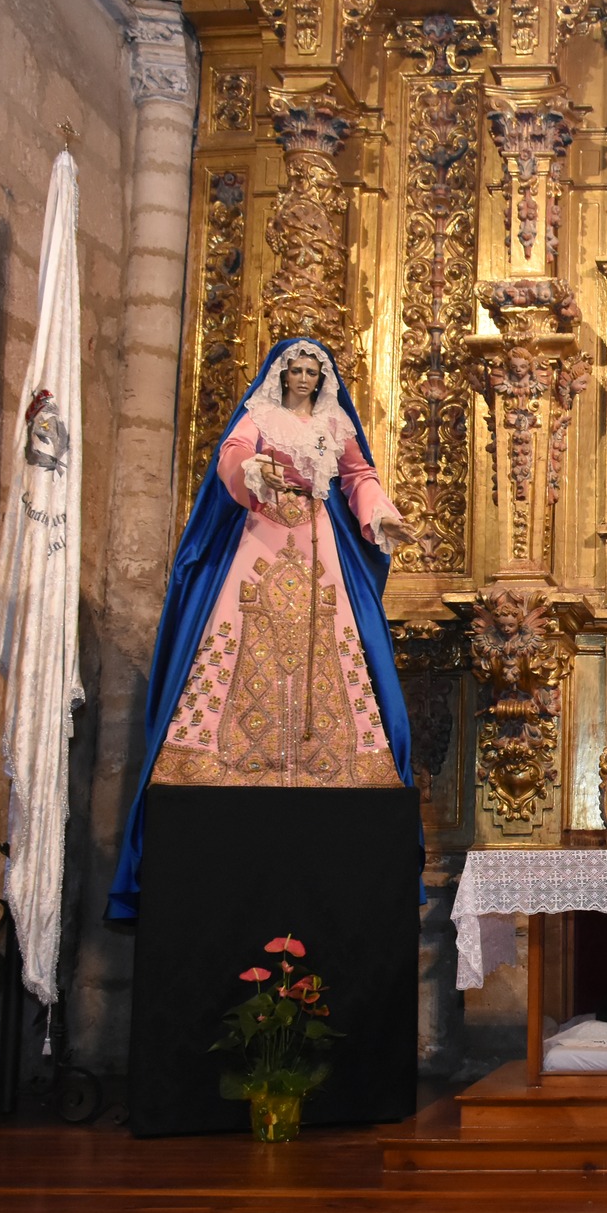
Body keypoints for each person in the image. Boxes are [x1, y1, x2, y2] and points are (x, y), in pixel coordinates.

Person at [106, 338, 417, 919]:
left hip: (318, 540)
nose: (302, 379)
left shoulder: (334, 424)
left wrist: (382, 515)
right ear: (282, 374)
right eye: (294, 370)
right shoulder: (261, 415)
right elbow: (233, 453)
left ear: (322, 380)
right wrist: (251, 471)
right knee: (240, 635)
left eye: (311, 372)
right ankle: (216, 760)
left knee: (330, 643)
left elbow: (359, 477)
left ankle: (331, 764)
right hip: (262, 535)